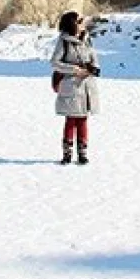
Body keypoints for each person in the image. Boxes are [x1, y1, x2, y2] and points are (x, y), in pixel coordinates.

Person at [52, 11, 100, 165]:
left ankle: (83, 154)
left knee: (83, 120)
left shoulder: (87, 39)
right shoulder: (64, 41)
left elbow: (95, 59)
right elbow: (55, 62)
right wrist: (74, 70)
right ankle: (67, 153)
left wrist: (92, 68)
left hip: (86, 85)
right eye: (79, 21)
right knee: (71, 119)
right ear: (72, 24)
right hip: (71, 86)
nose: (82, 23)